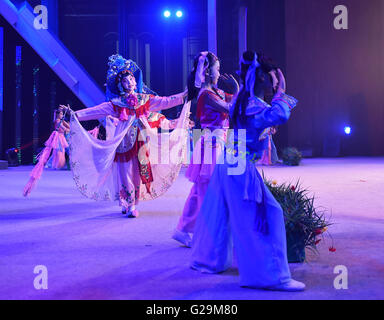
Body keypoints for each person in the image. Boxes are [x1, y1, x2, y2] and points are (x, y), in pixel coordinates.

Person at [190, 52, 305, 291]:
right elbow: (280, 114)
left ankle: (210, 260)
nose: (275, 82)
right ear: (262, 78)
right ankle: (271, 277)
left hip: (230, 163)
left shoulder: (246, 101)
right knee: (265, 216)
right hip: (238, 167)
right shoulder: (252, 104)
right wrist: (282, 92)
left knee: (220, 215)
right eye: (273, 78)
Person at [63, 54, 191, 217]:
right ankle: (127, 203)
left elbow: (165, 101)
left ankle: (131, 204)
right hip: (124, 143)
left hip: (142, 141)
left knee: (137, 174)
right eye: (125, 80)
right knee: (125, 174)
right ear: (120, 85)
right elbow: (95, 111)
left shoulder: (145, 100)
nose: (130, 82)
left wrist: (184, 95)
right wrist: (74, 114)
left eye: (131, 79)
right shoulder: (116, 104)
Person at [172, 51, 239, 247]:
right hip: (212, 144)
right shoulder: (206, 94)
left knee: (200, 189)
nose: (220, 73)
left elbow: (237, 103)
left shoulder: (215, 92)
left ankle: (182, 229)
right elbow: (230, 109)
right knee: (208, 189)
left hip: (218, 142)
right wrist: (235, 91)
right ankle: (207, 233)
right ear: (208, 72)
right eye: (218, 69)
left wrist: (239, 91)